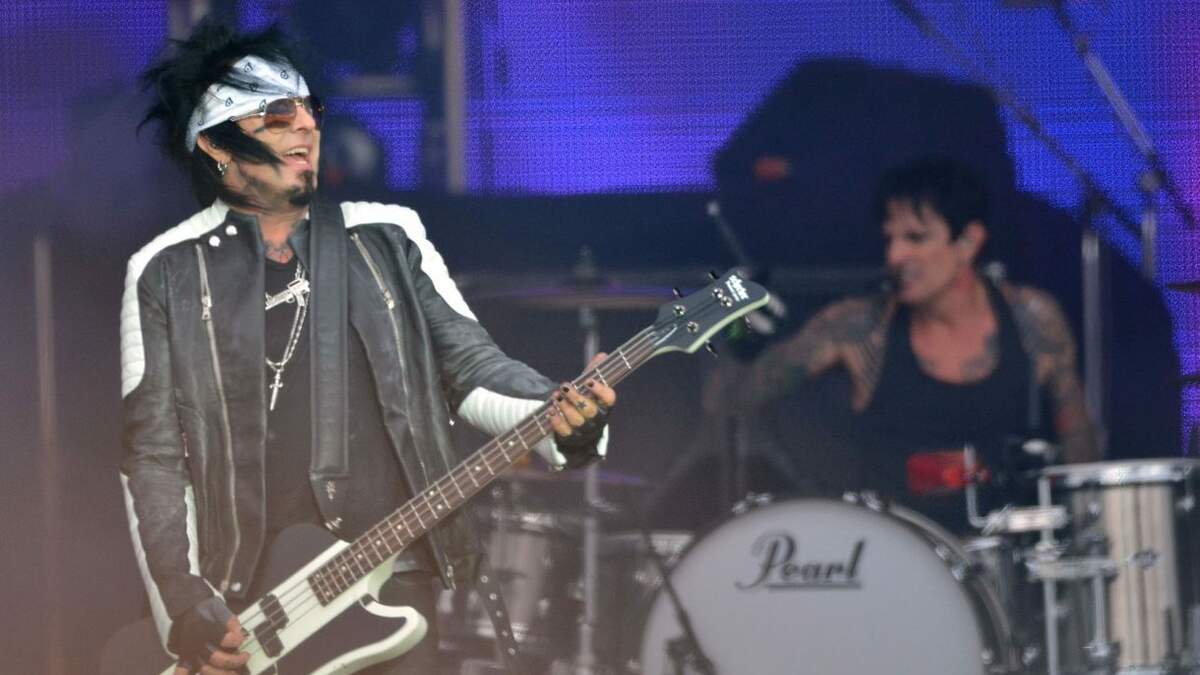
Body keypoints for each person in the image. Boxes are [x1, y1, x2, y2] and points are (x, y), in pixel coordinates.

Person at [120, 20, 614, 675]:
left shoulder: (385, 237)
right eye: (278, 113)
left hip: (390, 582)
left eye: (310, 108)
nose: (305, 125)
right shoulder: (164, 270)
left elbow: (473, 368)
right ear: (215, 143)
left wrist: (560, 416)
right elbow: (154, 457)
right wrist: (183, 605)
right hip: (251, 607)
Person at [709, 158, 1099, 525]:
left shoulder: (1033, 318)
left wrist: (1080, 529)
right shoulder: (858, 326)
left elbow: (1079, 444)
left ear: (968, 241)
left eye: (915, 238)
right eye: (890, 238)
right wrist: (739, 336)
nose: (895, 255)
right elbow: (725, 399)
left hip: (1005, 556)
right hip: (892, 555)